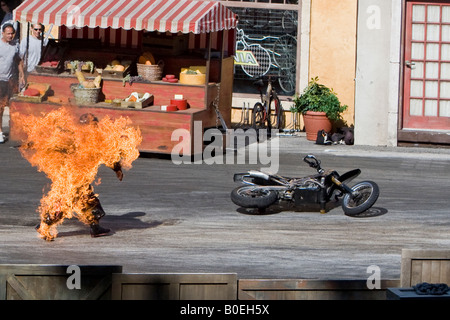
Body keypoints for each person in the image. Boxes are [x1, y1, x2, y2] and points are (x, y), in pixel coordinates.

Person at [0, 23, 24, 144]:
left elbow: (18, 60)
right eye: (8, 33)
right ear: (2, 33)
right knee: (0, 107)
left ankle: (15, 131)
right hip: (0, 79)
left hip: (10, 80)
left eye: (12, 33)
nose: (10, 36)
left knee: (12, 105)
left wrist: (22, 75)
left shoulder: (15, 45)